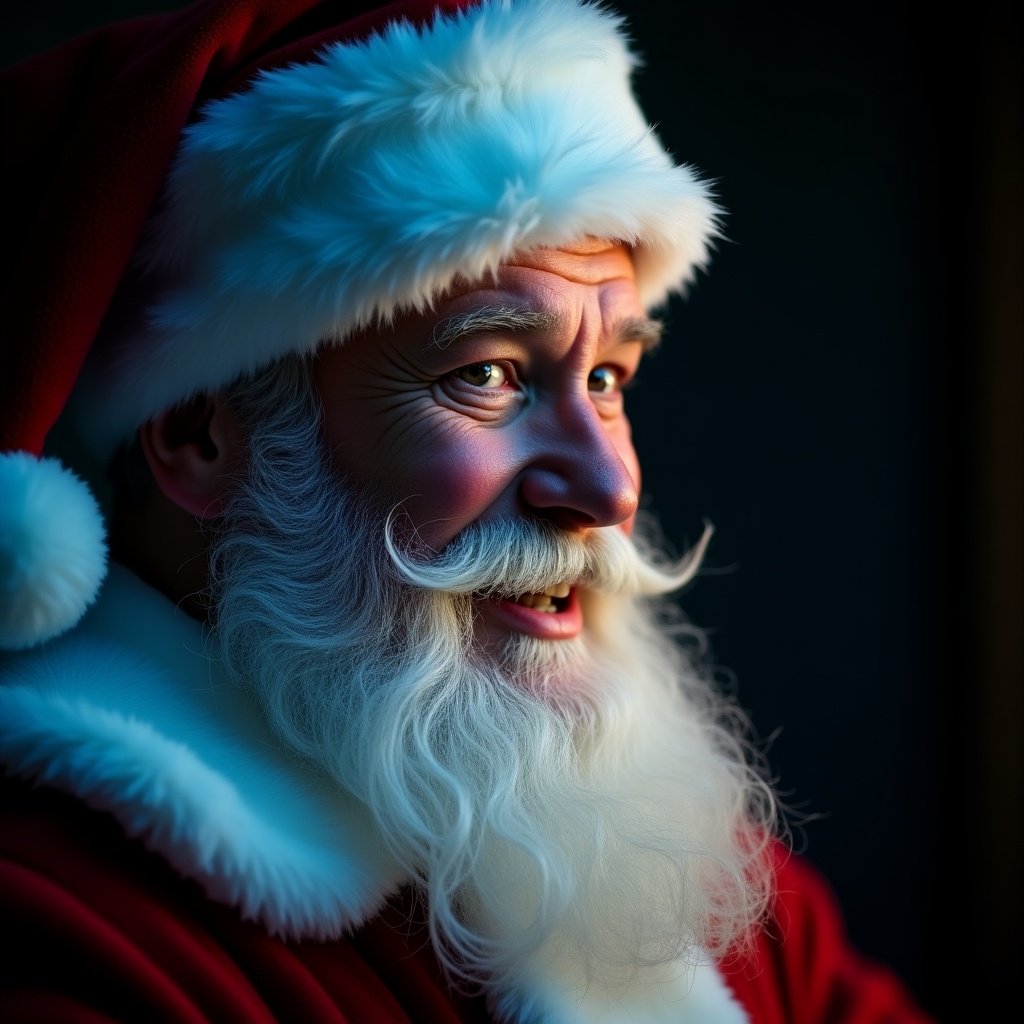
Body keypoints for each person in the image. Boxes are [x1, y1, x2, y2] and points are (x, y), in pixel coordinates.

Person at [0, 1, 937, 1021]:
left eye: (611, 377)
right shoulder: (59, 927)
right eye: (488, 374)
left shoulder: (671, 859)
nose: (609, 487)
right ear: (197, 433)